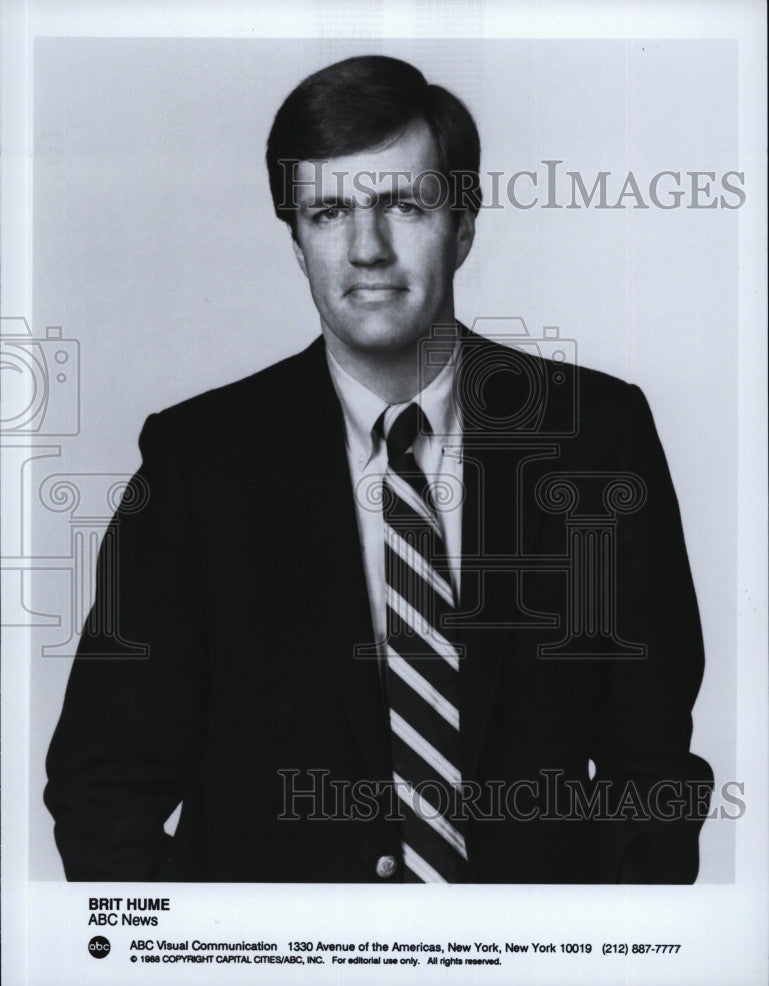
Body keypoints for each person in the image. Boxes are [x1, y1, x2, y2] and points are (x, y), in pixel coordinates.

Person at [44, 54, 713, 883]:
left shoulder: (596, 437)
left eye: (403, 203)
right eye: (327, 212)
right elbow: (105, 784)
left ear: (463, 225)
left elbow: (651, 775)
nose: (367, 248)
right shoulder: (199, 461)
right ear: (296, 243)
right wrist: (201, 961)